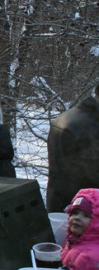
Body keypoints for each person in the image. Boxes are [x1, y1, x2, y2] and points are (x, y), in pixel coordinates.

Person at [46, 84, 99, 212]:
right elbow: (92, 175)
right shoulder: (88, 126)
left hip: (62, 204)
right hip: (81, 212)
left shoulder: (72, 117)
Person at [61, 188, 99, 270]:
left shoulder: (94, 255)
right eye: (75, 213)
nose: (77, 218)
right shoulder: (73, 241)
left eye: (86, 216)